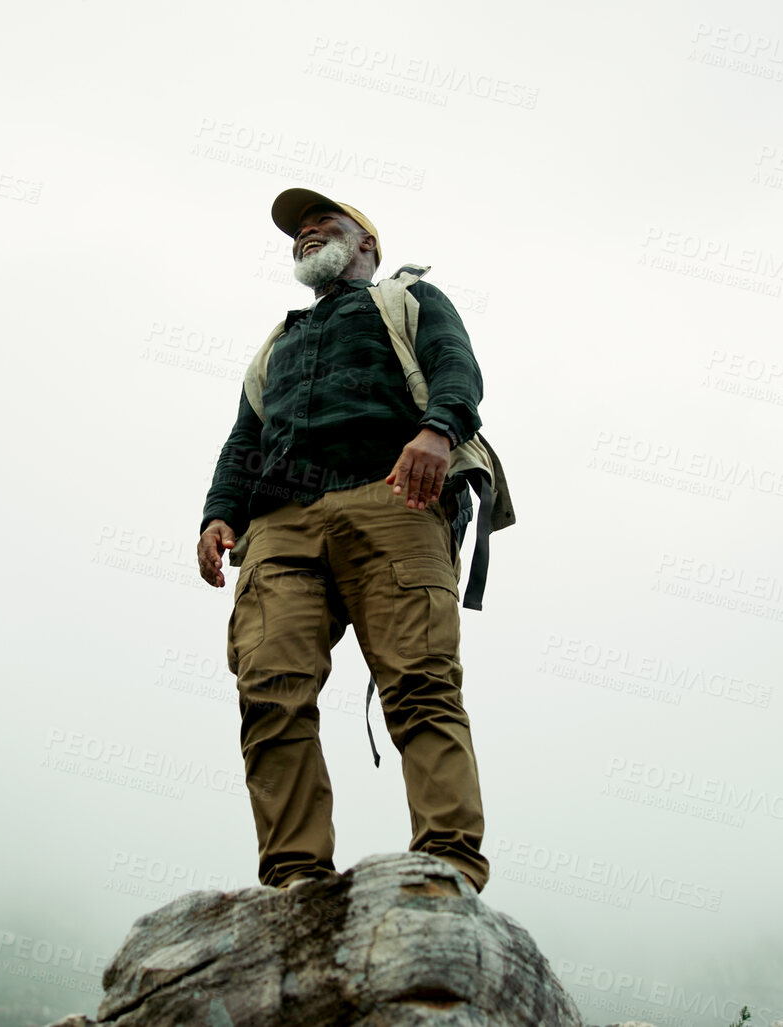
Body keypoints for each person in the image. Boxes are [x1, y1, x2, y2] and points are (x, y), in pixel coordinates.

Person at [195, 187, 489, 895]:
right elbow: (245, 437)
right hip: (278, 523)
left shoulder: (407, 299)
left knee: (419, 683)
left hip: (392, 495)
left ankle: (444, 867)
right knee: (268, 691)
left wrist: (436, 430)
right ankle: (294, 876)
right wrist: (217, 513)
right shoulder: (278, 343)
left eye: (324, 222)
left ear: (366, 245)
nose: (305, 231)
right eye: (297, 230)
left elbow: (455, 366)